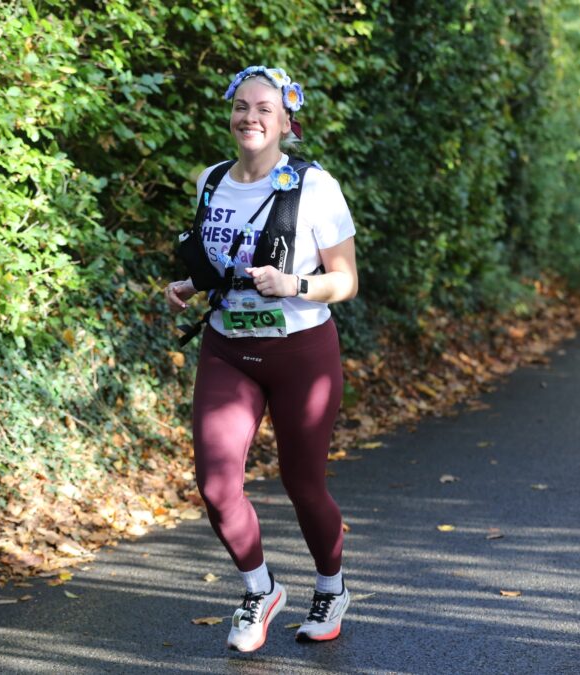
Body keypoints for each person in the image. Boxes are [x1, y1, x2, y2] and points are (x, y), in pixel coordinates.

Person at [165, 65, 358, 652]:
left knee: (303, 484)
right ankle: (259, 589)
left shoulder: (314, 186)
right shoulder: (210, 181)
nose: (250, 117)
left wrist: (295, 286)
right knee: (217, 485)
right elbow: (219, 257)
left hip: (302, 351)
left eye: (264, 109)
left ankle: (331, 585)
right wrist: (191, 285)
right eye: (242, 107)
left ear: (285, 122)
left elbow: (345, 281)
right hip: (229, 349)